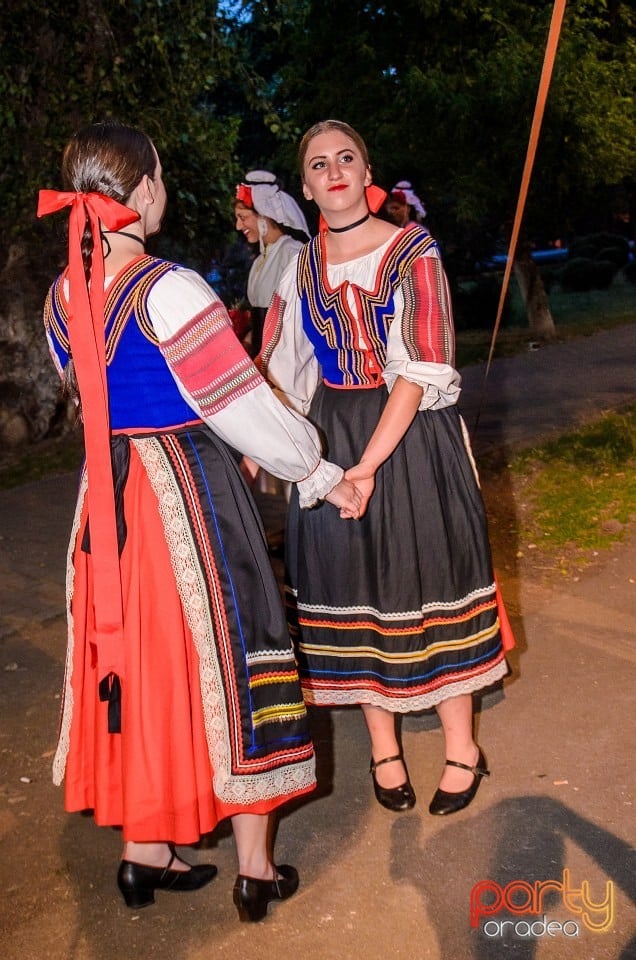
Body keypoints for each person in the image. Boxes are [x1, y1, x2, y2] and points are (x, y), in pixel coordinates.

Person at [37, 121, 360, 919]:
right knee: (236, 653)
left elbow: (91, 400)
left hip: (107, 509)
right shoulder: (169, 288)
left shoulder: (58, 299)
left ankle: (145, 855)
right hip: (183, 493)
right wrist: (317, 470)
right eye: (163, 178)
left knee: (139, 668)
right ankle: (255, 869)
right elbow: (242, 407)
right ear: (143, 190)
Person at [259, 120, 513, 817]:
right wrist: (274, 453)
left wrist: (365, 466)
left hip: (410, 438)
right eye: (319, 164)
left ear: (366, 168)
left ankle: (461, 746)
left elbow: (420, 366)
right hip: (332, 435)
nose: (334, 170)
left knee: (431, 576)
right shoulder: (298, 267)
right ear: (306, 185)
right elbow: (283, 370)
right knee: (355, 587)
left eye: (346, 158)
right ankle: (384, 749)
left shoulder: (412, 251)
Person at [234, 170, 310, 356]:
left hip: (290, 365)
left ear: (264, 215)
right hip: (264, 364)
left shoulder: (294, 254)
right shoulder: (260, 260)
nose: (238, 226)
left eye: (243, 218)